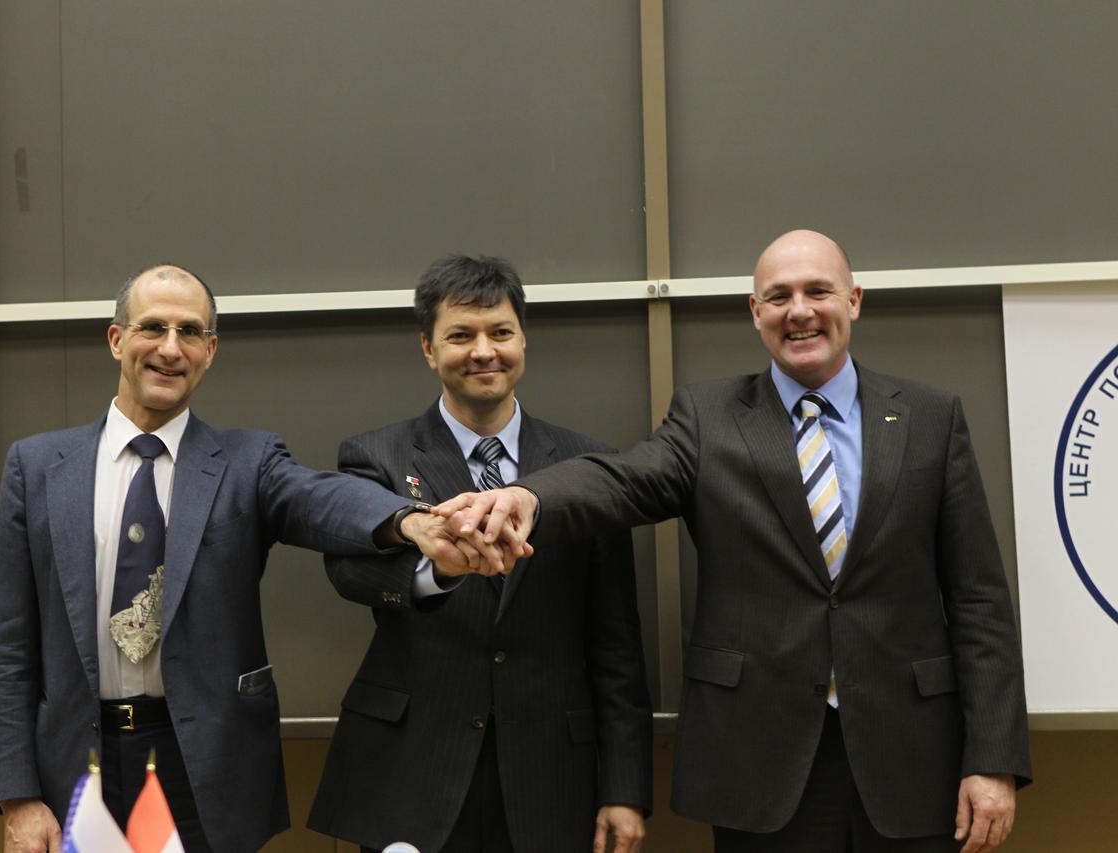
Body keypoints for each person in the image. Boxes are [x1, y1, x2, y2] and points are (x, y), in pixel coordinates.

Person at [437, 231, 1033, 852]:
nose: (798, 311)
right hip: (761, 766)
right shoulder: (708, 417)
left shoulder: (931, 417)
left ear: (853, 300)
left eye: (818, 291)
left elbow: (979, 600)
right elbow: (626, 478)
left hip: (914, 760)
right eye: (778, 296)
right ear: (755, 312)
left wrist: (993, 759)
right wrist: (530, 498)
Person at [0, 263, 481, 853]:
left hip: (203, 765)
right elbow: (8, 645)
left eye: (190, 332)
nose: (171, 349)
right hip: (73, 765)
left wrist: (410, 521)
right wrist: (16, 796)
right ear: (116, 339)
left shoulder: (249, 461)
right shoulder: (38, 467)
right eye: (153, 328)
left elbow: (319, 498)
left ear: (210, 351)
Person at [307, 254, 653, 853]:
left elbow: (616, 642)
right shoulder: (377, 456)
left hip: (551, 771)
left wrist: (624, 787)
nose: (484, 352)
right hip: (412, 768)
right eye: (461, 336)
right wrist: (436, 572)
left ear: (523, 339)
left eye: (501, 332)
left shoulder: (588, 467)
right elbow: (350, 572)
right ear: (428, 347)